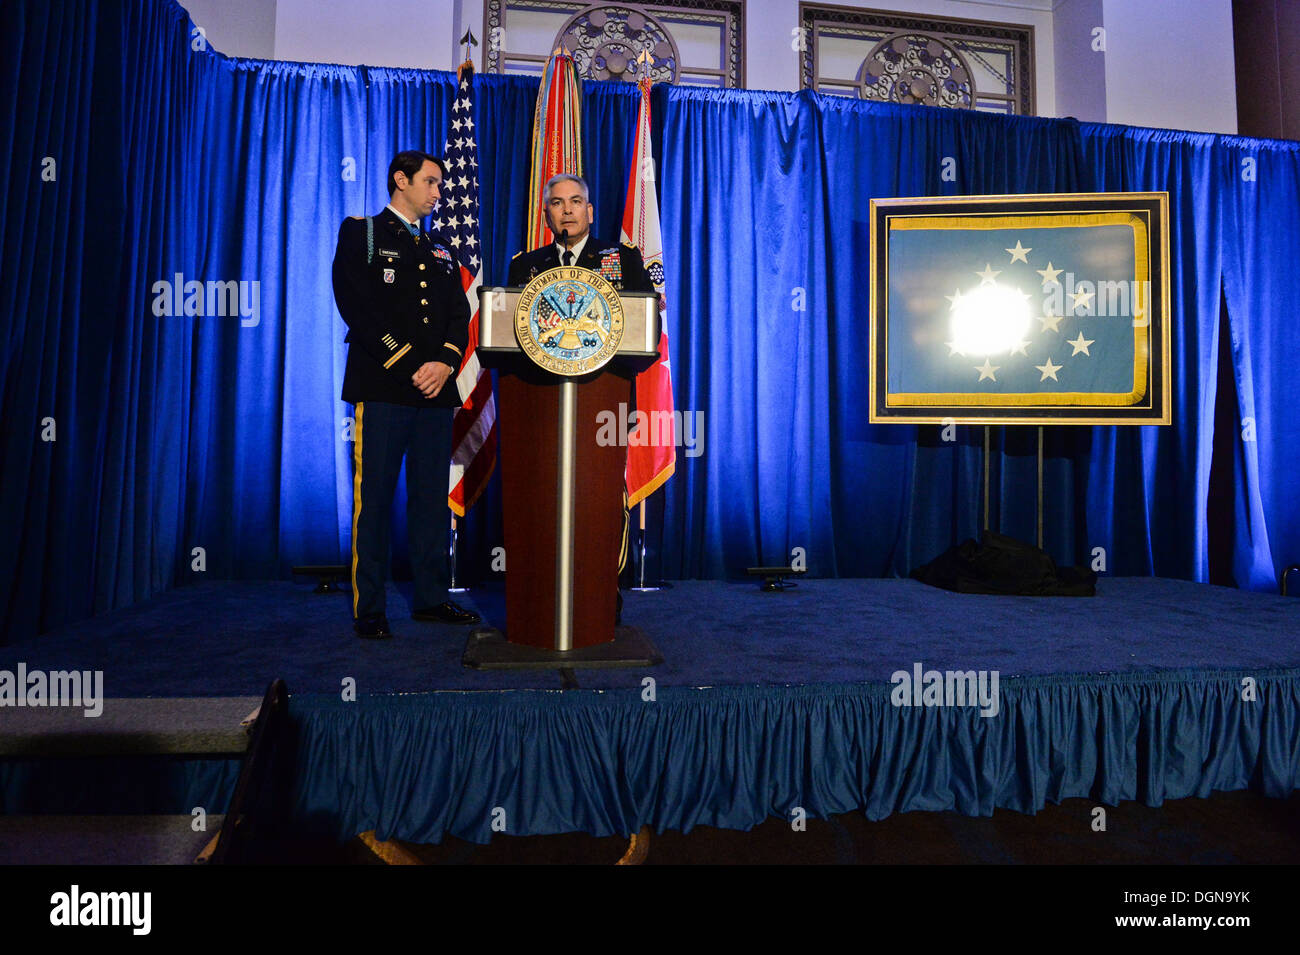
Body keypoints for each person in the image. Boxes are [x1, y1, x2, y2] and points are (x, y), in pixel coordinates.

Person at [331, 150, 481, 639]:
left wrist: (444, 363)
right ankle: (369, 607)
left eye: (440, 184)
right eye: (432, 183)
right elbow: (356, 306)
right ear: (401, 180)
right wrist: (412, 363)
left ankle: (431, 598)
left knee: (428, 499)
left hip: (436, 394)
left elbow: (459, 315)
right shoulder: (363, 232)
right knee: (372, 500)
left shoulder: (440, 247)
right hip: (384, 387)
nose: (439, 194)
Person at [507, 173, 655, 625]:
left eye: (576, 202)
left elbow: (647, 331)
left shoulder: (622, 259)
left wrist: (601, 367)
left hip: (602, 403)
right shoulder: (525, 266)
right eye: (557, 203)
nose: (567, 210)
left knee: (600, 503)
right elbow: (510, 336)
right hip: (541, 406)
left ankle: (598, 594)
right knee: (543, 501)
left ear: (590, 212)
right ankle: (542, 595)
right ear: (546, 213)